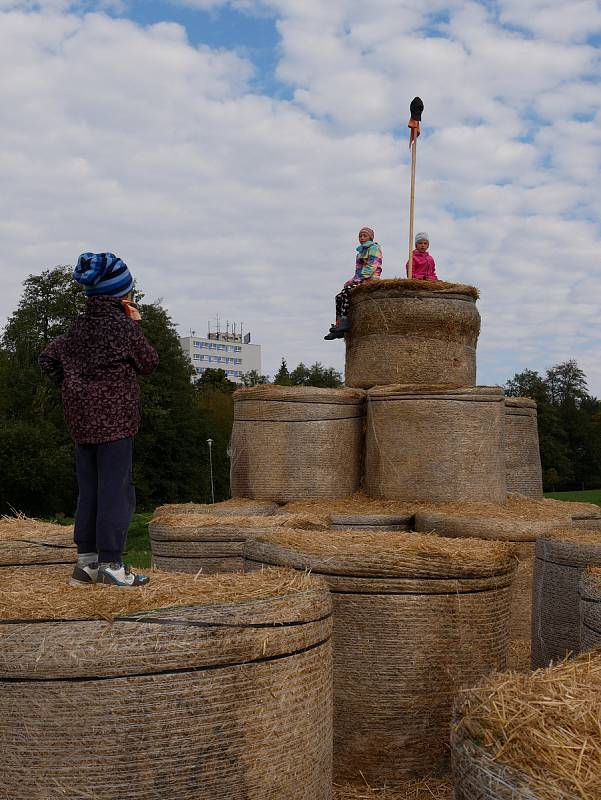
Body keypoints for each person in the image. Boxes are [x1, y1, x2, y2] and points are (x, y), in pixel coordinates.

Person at [39, 253, 159, 588]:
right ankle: (112, 563)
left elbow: (48, 358)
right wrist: (133, 323)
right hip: (116, 423)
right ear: (122, 293)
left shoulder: (77, 328)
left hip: (81, 422)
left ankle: (86, 564)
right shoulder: (122, 328)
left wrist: (71, 383)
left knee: (88, 490)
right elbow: (149, 362)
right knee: (116, 491)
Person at [324, 227, 382, 340]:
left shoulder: (374, 248)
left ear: (370, 237)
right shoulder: (360, 253)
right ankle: (339, 325)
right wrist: (352, 280)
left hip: (370, 279)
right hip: (360, 279)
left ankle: (345, 322)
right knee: (339, 297)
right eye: (360, 236)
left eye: (364, 236)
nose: (362, 238)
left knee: (346, 292)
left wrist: (358, 279)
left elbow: (372, 266)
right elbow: (358, 270)